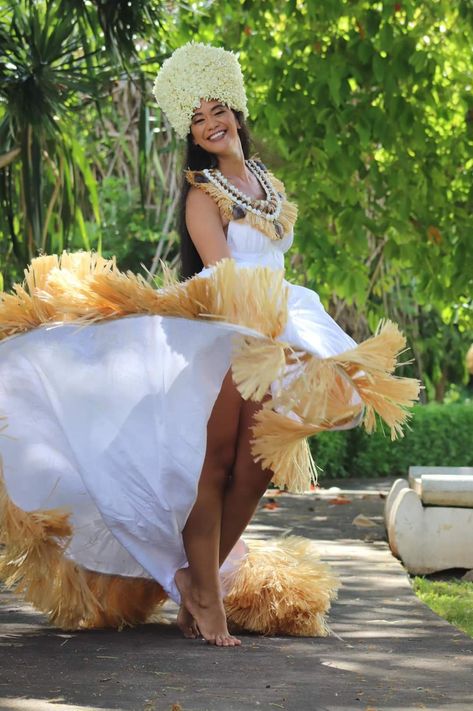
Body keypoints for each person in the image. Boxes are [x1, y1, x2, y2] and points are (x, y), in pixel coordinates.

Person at [0, 43, 420, 647]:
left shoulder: (267, 185)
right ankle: (206, 600)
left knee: (255, 472)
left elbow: (273, 259)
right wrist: (267, 331)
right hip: (226, 335)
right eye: (197, 119)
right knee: (216, 467)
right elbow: (224, 279)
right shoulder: (203, 193)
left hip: (275, 331)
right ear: (191, 133)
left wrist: (285, 336)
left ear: (237, 112)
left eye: (216, 109)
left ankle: (195, 586)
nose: (210, 123)